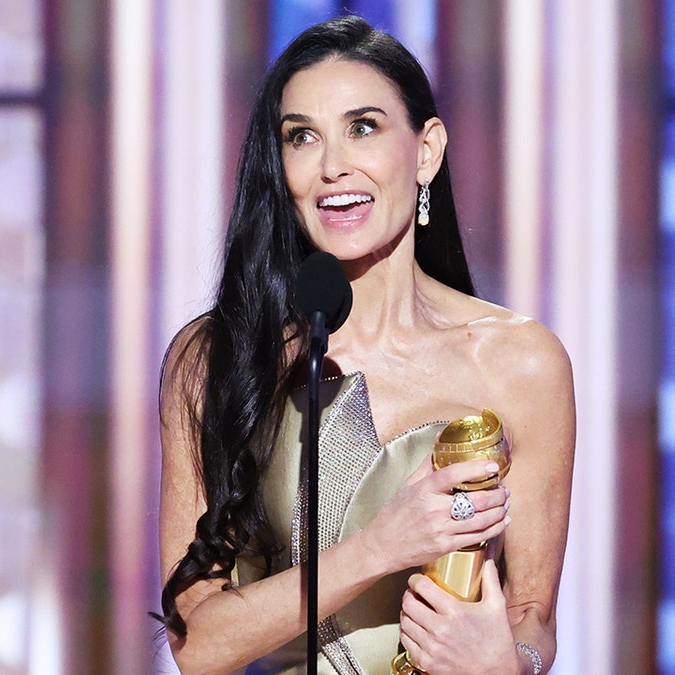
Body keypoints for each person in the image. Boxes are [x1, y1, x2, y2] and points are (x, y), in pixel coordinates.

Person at [154, 15, 575, 675]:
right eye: (302, 137)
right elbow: (198, 645)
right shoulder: (217, 358)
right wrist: (382, 545)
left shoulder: (521, 362)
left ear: (427, 150)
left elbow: (534, 615)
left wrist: (509, 663)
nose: (332, 167)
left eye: (363, 127)